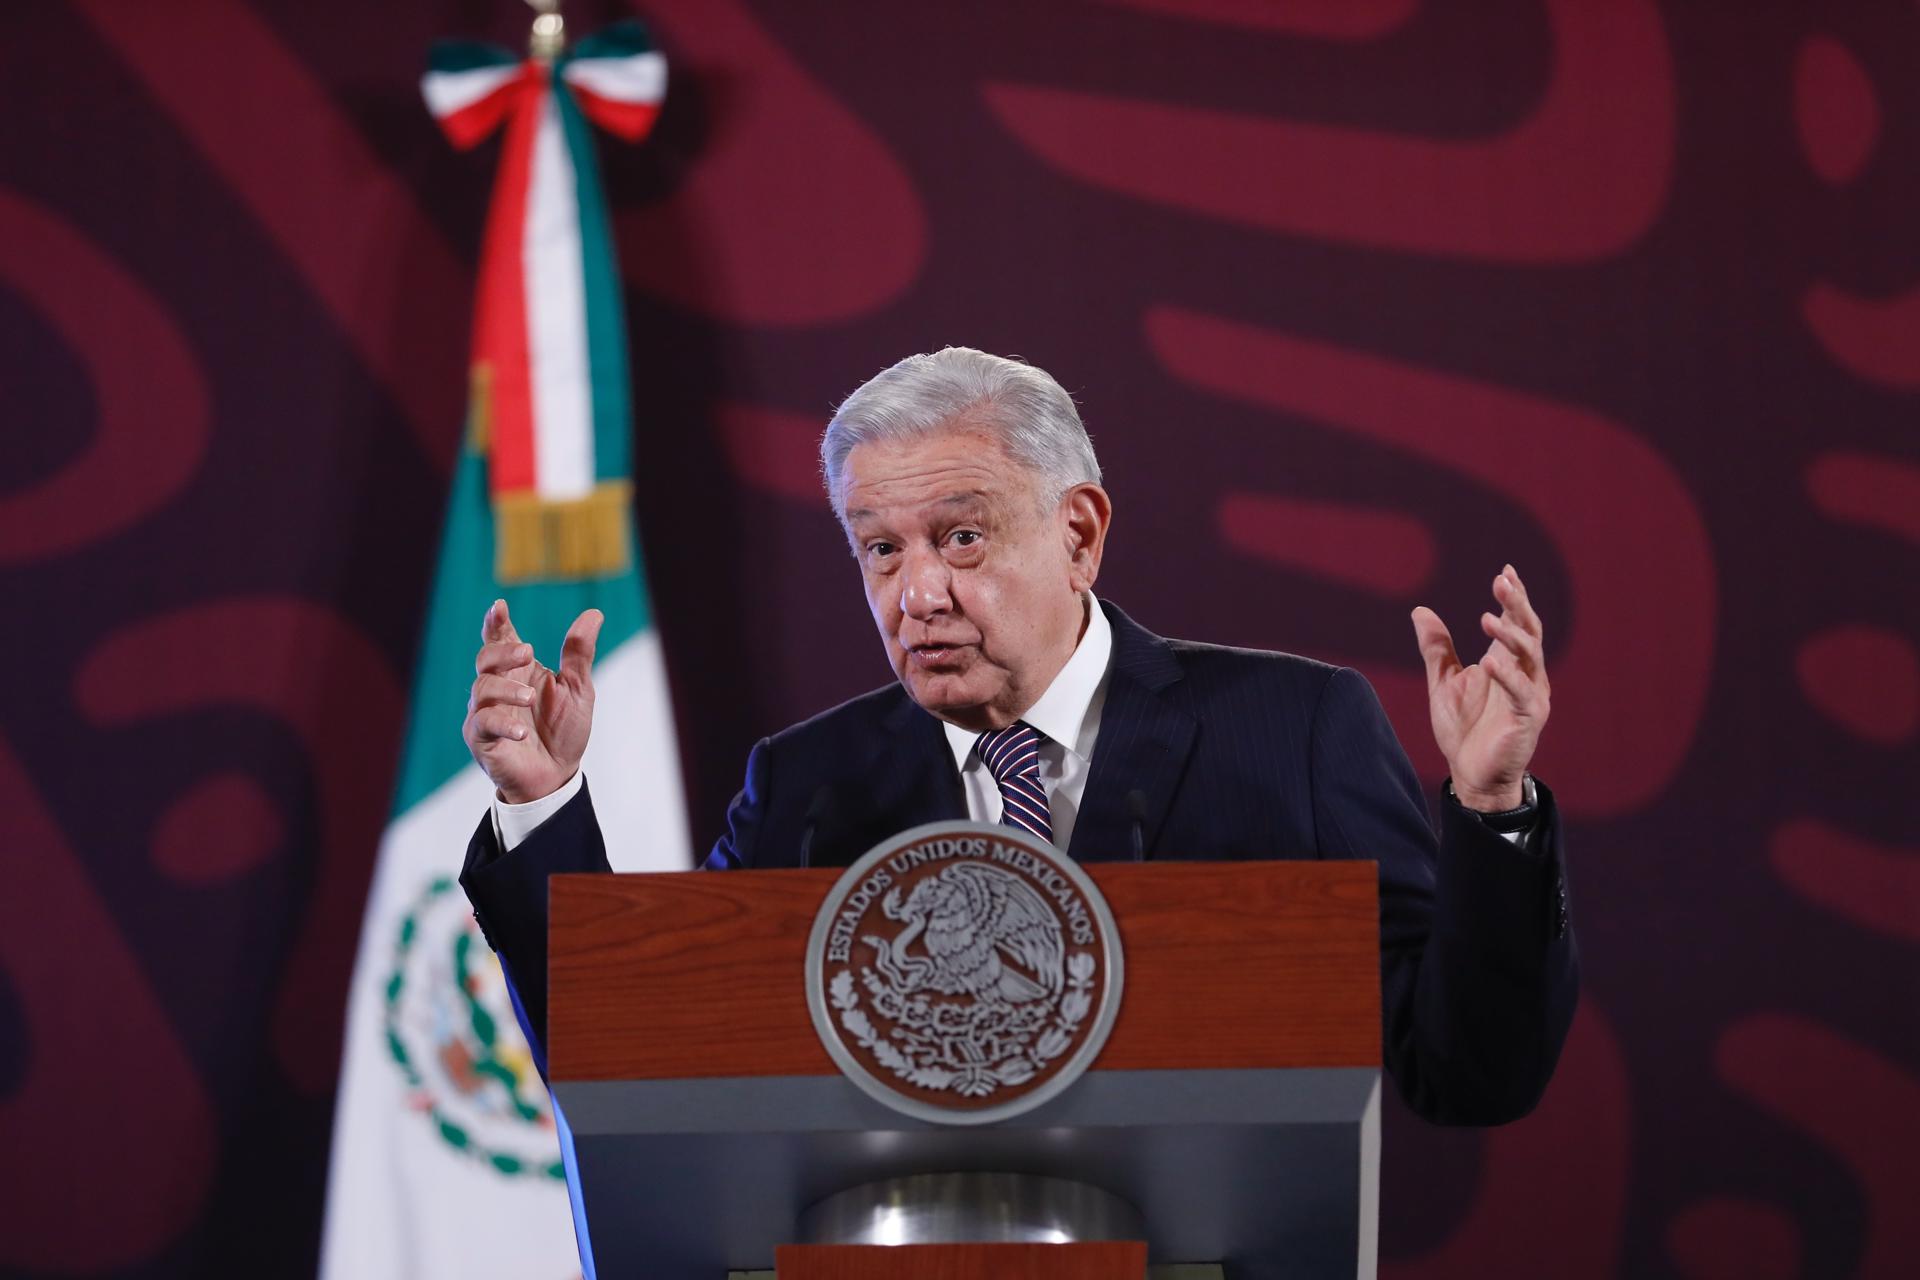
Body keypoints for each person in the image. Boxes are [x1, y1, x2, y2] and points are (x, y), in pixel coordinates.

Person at [459, 347, 1577, 1126]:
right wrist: (543, 803)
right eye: (881, 550)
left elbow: (1468, 1067)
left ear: (1079, 531)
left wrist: (1492, 809)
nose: (918, 593)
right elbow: (649, 1070)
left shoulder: (1288, 730)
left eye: (960, 535)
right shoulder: (808, 785)